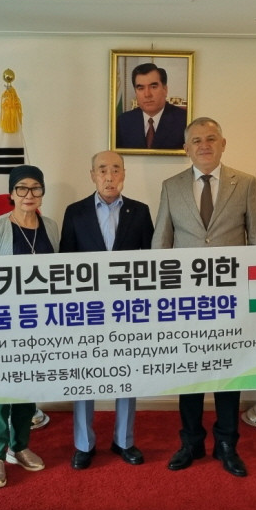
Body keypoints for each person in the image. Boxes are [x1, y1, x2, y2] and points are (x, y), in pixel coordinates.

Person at [152, 117, 256, 477]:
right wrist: (160, 297)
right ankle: (191, 442)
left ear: (223, 143)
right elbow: (161, 243)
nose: (204, 145)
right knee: (191, 373)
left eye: (211, 139)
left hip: (231, 300)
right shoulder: (171, 186)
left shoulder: (245, 184)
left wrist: (254, 294)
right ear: (186, 148)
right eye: (197, 140)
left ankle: (227, 443)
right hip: (187, 301)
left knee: (229, 373)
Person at [59, 150, 154, 469]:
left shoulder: (139, 212)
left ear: (124, 174)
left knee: (126, 374)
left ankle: (124, 440)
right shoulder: (75, 212)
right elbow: (65, 263)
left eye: (115, 169)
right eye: (102, 169)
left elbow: (150, 264)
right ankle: (83, 444)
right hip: (87, 310)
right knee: (85, 374)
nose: (109, 176)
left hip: (128, 309)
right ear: (92, 175)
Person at [0, 164, 58, 488]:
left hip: (39, 322)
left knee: (28, 386)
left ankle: (19, 446)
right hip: (3, 322)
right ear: (11, 193)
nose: (29, 194)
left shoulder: (51, 226)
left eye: (35, 188)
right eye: (21, 188)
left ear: (42, 192)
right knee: (0, 389)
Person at [115, 63, 187, 150]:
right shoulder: (123, 122)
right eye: (141, 88)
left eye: (153, 87)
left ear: (165, 89)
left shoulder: (184, 120)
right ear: (135, 92)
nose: (147, 94)